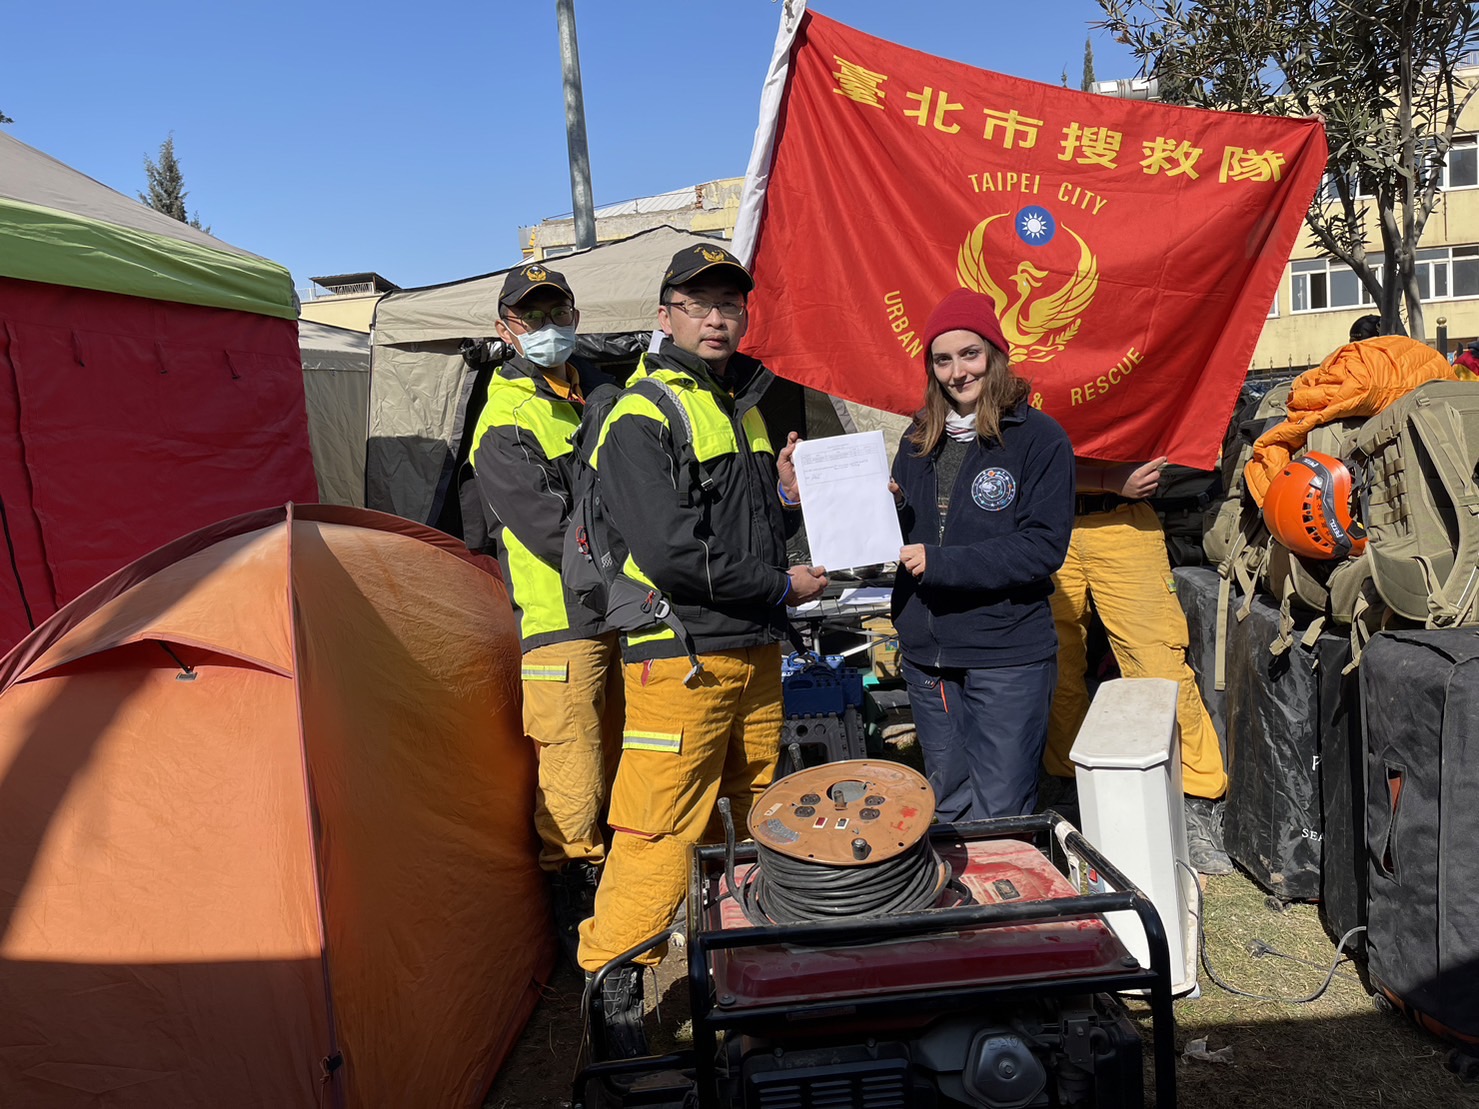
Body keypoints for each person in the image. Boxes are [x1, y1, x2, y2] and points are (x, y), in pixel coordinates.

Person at [575, 244, 828, 1055]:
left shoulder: (741, 408)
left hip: (750, 652)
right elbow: (678, 553)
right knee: (656, 830)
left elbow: (750, 535)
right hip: (680, 660)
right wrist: (781, 587)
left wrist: (786, 494)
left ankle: (748, 970)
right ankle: (614, 999)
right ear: (665, 315)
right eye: (698, 303)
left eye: (729, 304)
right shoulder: (641, 412)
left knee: (756, 816)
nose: (717, 317)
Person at [469, 263, 623, 967]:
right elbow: (557, 532)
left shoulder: (593, 394)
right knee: (572, 780)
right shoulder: (504, 421)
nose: (544, 326)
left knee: (624, 763)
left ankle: (624, 914)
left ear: (575, 314)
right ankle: (576, 935)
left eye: (555, 310)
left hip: (622, 616)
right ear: (505, 329)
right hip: (562, 625)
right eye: (529, 317)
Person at [888, 288, 1075, 821]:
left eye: (969, 354)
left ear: (994, 354)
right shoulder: (918, 438)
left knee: (1001, 809)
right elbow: (911, 537)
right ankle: (958, 900)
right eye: (942, 360)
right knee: (945, 801)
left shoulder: (1039, 439)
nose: (957, 371)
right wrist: (872, 508)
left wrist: (943, 564)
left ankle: (1013, 901)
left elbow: (1042, 548)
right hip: (929, 655)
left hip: (1006, 653)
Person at [1041, 457, 1234, 875]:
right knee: (1054, 666)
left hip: (1123, 521)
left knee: (1158, 664)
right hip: (1046, 522)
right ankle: (1072, 786)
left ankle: (1198, 798)